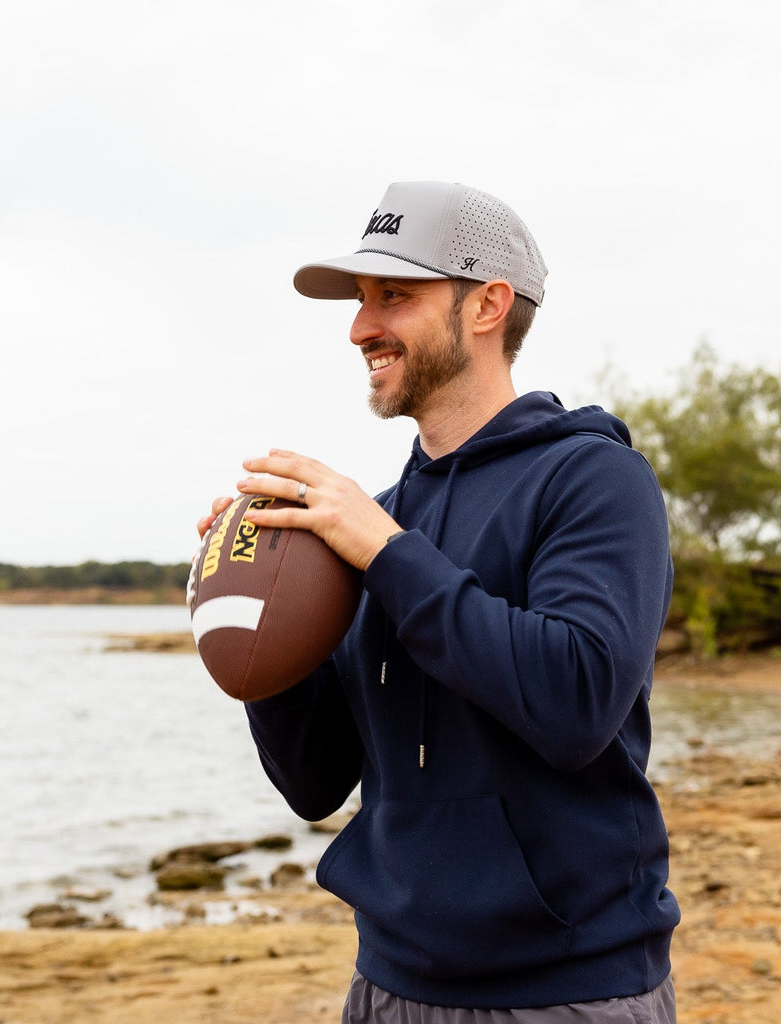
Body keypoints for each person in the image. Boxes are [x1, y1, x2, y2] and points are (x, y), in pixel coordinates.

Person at [197, 181, 680, 1022]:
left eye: (394, 295)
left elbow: (577, 700)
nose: (360, 327)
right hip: (389, 985)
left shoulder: (593, 479)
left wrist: (388, 556)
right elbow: (315, 782)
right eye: (360, 299)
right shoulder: (376, 520)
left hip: (569, 989)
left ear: (488, 305)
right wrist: (252, 620)